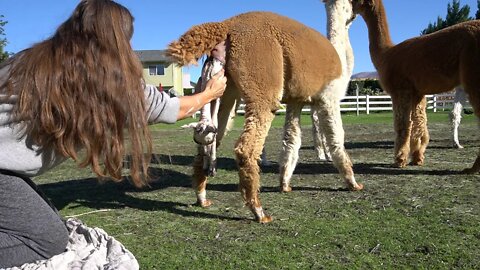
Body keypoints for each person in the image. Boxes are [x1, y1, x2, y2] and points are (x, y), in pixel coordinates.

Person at [0, 0, 226, 267]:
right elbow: (171, 109)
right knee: (45, 240)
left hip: (7, 171)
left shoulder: (27, 59)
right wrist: (210, 92)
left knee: (46, 222)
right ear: (119, 39)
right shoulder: (107, 81)